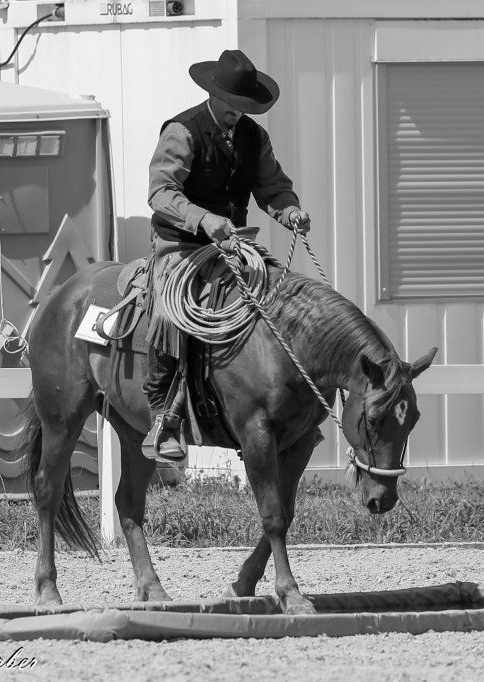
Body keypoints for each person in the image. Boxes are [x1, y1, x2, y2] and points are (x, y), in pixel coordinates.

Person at [142, 49, 311, 464]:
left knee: (280, 293)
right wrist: (203, 220)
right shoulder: (182, 132)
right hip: (180, 246)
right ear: (214, 96)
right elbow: (161, 193)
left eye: (244, 107)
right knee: (169, 314)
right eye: (233, 105)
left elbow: (272, 186)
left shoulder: (255, 138)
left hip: (234, 246)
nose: (238, 113)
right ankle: (165, 415)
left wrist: (288, 209)